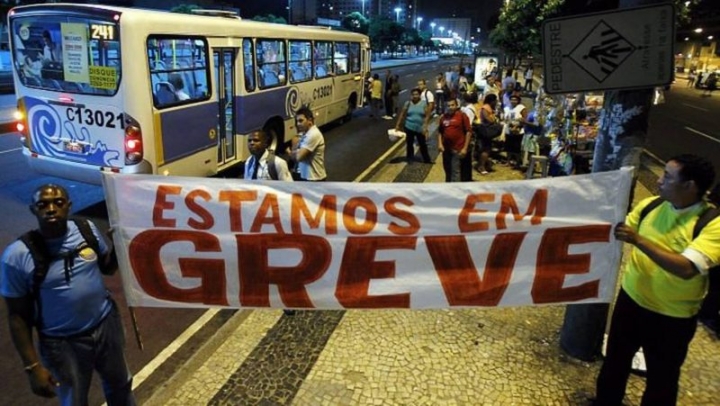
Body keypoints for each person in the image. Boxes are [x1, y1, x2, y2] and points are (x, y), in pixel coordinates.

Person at [594, 154, 720, 406]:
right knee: (615, 362)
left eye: (668, 177)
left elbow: (686, 268)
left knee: (662, 378)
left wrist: (638, 240)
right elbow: (616, 232)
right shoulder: (650, 205)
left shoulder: (711, 224)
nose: (660, 181)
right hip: (631, 301)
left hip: (672, 317)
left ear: (690, 186)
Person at [1, 184, 136, 406]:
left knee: (121, 385)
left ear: (68, 206)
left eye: (58, 202)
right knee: (74, 400)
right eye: (43, 205)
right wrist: (32, 367)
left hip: (105, 327)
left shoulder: (86, 229)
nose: (51, 209)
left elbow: (107, 268)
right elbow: (17, 316)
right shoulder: (17, 256)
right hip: (62, 343)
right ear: (33, 210)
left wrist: (119, 246)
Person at [287, 106, 326, 181]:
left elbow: (299, 157)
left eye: (301, 121)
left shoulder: (313, 134)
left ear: (310, 120)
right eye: (297, 121)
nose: (298, 124)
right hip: (307, 177)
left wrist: (289, 152)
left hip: (315, 179)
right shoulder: (306, 134)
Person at [437, 98, 472, 183]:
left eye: (452, 105)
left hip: (457, 148)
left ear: (456, 106)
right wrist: (440, 144)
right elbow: (440, 132)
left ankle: (455, 189)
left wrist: (465, 148)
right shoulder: (443, 117)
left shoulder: (462, 116)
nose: (450, 107)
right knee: (447, 169)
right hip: (446, 149)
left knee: (455, 171)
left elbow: (468, 132)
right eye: (448, 105)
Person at [394, 88, 432, 164]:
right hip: (409, 126)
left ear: (419, 95)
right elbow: (402, 114)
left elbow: (427, 115)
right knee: (409, 143)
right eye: (413, 94)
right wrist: (397, 125)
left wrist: (425, 127)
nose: (415, 96)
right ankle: (410, 158)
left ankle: (426, 159)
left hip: (420, 127)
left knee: (422, 144)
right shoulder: (408, 103)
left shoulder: (423, 104)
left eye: (417, 94)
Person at [476, 93, 500, 175]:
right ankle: (481, 166)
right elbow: (489, 120)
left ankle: (484, 165)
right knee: (485, 150)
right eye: (495, 100)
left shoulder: (489, 108)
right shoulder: (485, 109)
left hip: (487, 131)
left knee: (487, 149)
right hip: (485, 131)